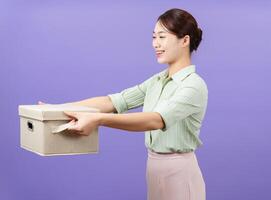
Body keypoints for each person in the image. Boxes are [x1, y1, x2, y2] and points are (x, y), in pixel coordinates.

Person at [39, 8, 208, 200]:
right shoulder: (157, 81)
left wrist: (99, 120)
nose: (155, 44)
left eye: (162, 37)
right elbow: (114, 101)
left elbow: (156, 120)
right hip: (153, 166)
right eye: (154, 37)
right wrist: (59, 108)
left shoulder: (194, 85)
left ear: (184, 40)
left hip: (180, 170)